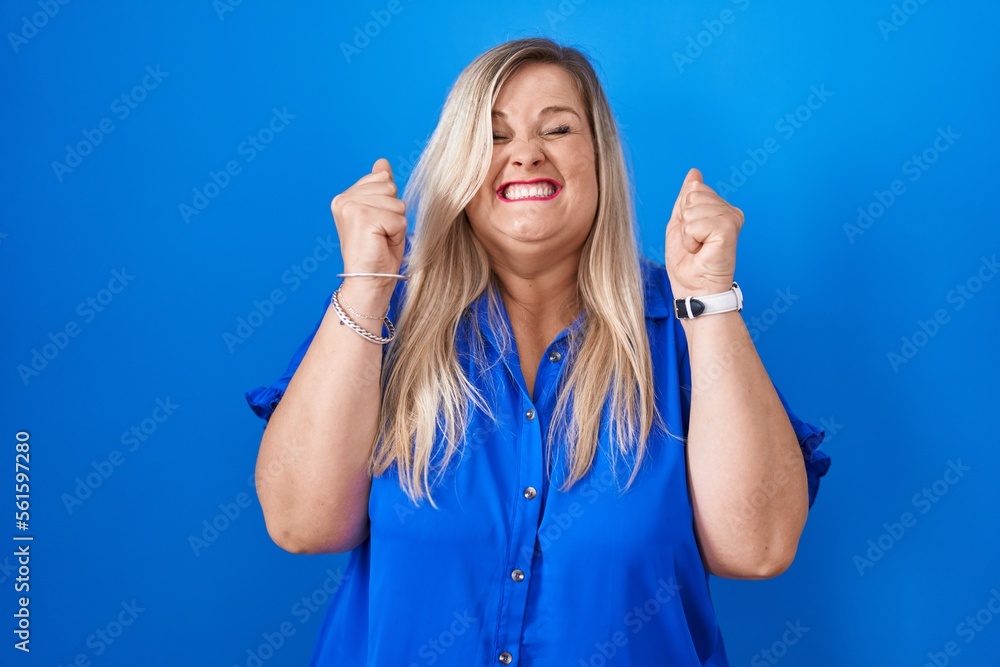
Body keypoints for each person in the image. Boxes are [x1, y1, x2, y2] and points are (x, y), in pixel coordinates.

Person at [246, 37, 830, 667]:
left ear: (599, 159)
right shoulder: (381, 318)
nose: (525, 154)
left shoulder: (684, 327)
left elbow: (758, 547)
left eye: (557, 128)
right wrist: (364, 282)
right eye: (494, 137)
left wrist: (709, 298)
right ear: (458, 170)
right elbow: (301, 525)